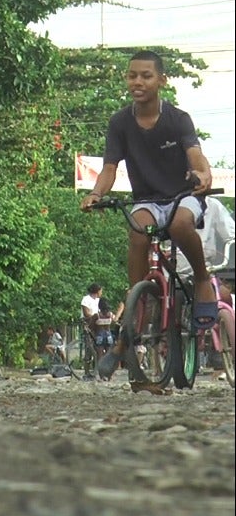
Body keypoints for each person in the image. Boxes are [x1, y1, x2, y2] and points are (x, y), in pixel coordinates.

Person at [81, 50, 217, 380]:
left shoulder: (178, 119)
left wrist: (202, 176)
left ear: (161, 80)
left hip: (184, 197)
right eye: (132, 75)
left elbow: (197, 159)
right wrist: (97, 193)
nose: (137, 81)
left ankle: (200, 279)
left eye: (146, 75)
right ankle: (136, 304)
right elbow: (110, 169)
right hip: (148, 202)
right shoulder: (119, 123)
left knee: (182, 223)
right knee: (137, 230)